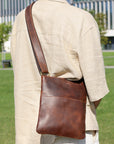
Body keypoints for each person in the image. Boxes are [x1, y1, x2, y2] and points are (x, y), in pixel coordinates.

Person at [11, 0, 109, 144]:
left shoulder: (21, 19)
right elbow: (96, 89)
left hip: (29, 129)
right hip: (73, 126)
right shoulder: (81, 19)